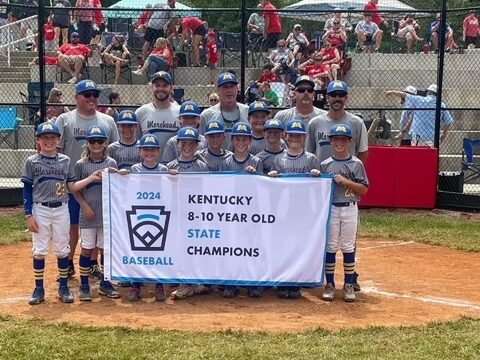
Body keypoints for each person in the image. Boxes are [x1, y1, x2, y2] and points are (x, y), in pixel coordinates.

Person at [55, 80, 119, 279]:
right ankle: (68, 262)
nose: (92, 98)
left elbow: (114, 149)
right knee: (72, 225)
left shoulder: (107, 120)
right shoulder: (65, 119)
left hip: (99, 186)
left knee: (96, 223)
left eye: (94, 95)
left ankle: (91, 264)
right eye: (87, 94)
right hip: (73, 183)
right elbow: (57, 152)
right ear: (76, 97)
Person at [22, 122, 76, 305]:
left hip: (61, 208)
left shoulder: (66, 160)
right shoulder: (32, 161)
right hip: (40, 208)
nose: (49, 141)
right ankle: (38, 289)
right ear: (38, 140)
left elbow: (72, 186)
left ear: (58, 139)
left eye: (52, 137)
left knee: (62, 249)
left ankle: (63, 287)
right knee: (40, 250)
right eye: (44, 138)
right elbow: (27, 189)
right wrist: (28, 215)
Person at [268, 119, 320, 299]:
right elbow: (272, 188)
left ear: (304, 137)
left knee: (299, 245)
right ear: (286, 136)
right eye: (292, 135)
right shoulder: (279, 158)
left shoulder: (311, 159)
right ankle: (284, 281)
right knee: (284, 245)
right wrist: (273, 176)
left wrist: (316, 176)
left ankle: (296, 282)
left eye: (299, 136)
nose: (295, 139)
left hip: (304, 208)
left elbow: (318, 187)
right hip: (285, 209)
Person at [69, 125, 120, 301]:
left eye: (100, 141)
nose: (96, 144)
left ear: (106, 143)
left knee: (105, 250)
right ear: (87, 144)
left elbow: (117, 187)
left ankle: (106, 283)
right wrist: (84, 205)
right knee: (87, 249)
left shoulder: (111, 163)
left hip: (105, 215)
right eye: (92, 141)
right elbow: (74, 189)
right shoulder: (81, 164)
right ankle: (84, 285)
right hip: (89, 215)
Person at [320, 123, 369, 303]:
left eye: (343, 139)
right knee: (331, 246)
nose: (339, 142)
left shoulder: (356, 164)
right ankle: (330, 284)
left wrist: (346, 181)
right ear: (331, 141)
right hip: (332, 207)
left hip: (349, 207)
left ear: (349, 142)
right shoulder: (325, 164)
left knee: (348, 246)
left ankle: (349, 284)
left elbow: (363, 189)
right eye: (336, 139)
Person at [126, 134, 169, 302]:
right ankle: (136, 284)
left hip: (159, 213)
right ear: (140, 151)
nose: (149, 153)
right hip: (139, 213)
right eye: (145, 149)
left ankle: (159, 285)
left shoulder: (164, 170)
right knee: (138, 249)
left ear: (158, 151)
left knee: (158, 249)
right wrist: (121, 176)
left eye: (152, 149)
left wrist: (174, 176)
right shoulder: (135, 169)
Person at [306, 80, 368, 164]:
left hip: (346, 176)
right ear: (327, 98)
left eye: (341, 95)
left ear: (346, 98)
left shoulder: (357, 123)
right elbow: (309, 153)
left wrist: (353, 171)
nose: (337, 98)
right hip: (322, 175)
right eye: (333, 95)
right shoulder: (314, 123)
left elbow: (363, 152)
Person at [385, 84, 454, 147]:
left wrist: (391, 92)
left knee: (417, 157)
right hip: (433, 137)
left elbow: (404, 95)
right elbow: (448, 122)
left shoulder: (419, 100)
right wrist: (443, 136)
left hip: (418, 136)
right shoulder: (441, 104)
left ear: (428, 92)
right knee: (431, 158)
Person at [200, 72, 249, 150]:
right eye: (225, 87)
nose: (229, 90)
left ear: (237, 89)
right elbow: (201, 143)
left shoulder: (247, 111)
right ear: (218, 90)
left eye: (232, 86)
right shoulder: (207, 115)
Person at [135, 71, 180, 154]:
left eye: (165, 86)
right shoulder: (141, 112)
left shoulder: (179, 112)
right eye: (157, 85)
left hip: (174, 165)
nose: (161, 89)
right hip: (149, 164)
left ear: (171, 88)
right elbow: (136, 143)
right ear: (152, 87)